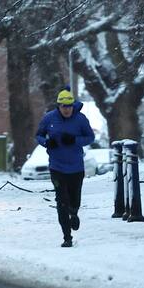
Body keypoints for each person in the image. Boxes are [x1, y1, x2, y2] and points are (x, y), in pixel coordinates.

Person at [35, 89, 96, 247]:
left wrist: (75, 140)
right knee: (61, 201)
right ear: (58, 106)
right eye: (64, 106)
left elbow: (90, 137)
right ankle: (67, 237)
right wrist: (47, 142)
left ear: (73, 105)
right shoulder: (49, 118)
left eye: (69, 106)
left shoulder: (81, 119)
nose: (67, 109)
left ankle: (74, 212)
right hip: (57, 168)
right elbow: (39, 135)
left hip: (76, 167)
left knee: (74, 200)